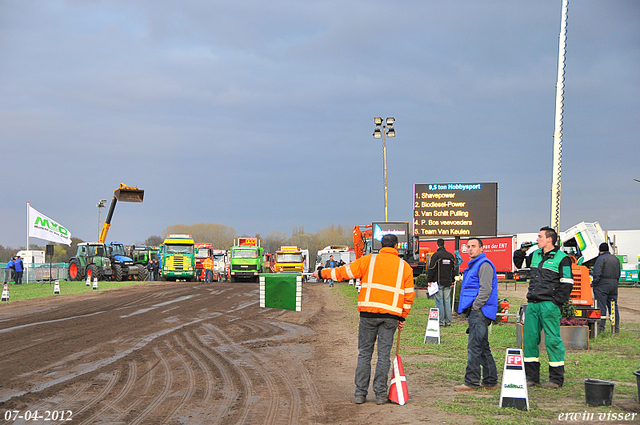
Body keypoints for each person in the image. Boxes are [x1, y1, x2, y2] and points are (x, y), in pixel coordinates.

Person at [312, 234, 414, 405]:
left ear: (381, 246)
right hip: (390, 317)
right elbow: (409, 296)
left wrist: (322, 273)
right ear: (396, 247)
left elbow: (343, 273)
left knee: (364, 355)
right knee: (384, 356)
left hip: (368, 315)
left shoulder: (368, 260)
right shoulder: (405, 267)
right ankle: (381, 395)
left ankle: (360, 393)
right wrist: (402, 317)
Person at [523, 226, 574, 389]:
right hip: (533, 305)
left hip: (549, 305)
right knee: (529, 340)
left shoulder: (562, 258)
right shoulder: (535, 255)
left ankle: (556, 379)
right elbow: (518, 263)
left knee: (552, 340)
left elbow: (567, 283)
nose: (537, 239)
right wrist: (521, 250)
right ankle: (531, 378)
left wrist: (556, 302)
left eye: (539, 237)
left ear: (549, 239)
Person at [454, 238, 499, 391]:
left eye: (473, 246)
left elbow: (486, 289)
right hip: (478, 311)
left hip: (480, 311)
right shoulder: (474, 265)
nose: (470, 249)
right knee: (482, 346)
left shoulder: (484, 264)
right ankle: (490, 381)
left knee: (474, 347)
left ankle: (471, 382)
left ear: (481, 248)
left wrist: (475, 307)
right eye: (468, 246)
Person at [592, 242, 621, 333]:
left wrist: (594, 283)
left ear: (600, 250)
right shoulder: (616, 259)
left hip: (602, 285)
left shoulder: (600, 259)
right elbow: (619, 273)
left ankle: (601, 328)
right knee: (613, 306)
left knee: (601, 306)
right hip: (614, 285)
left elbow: (597, 273)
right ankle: (615, 328)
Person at [427, 238, 457, 327]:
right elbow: (453, 270)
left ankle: (440, 322)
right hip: (448, 282)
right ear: (444, 245)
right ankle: (448, 322)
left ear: (437, 245)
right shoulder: (450, 256)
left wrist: (429, 280)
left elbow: (431, 269)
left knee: (439, 301)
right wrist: (452, 280)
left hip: (438, 282)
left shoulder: (436, 256)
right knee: (447, 301)